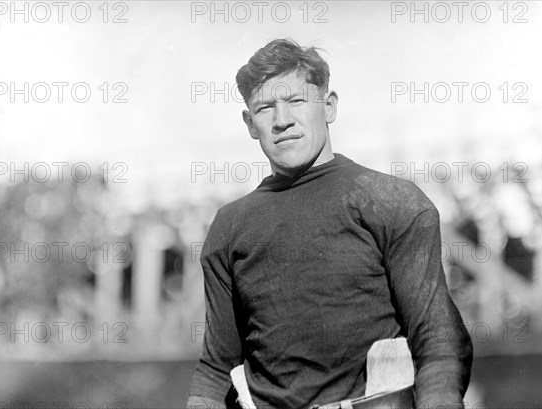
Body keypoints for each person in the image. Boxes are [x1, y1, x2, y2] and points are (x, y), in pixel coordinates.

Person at [187, 38, 473, 409]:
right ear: (250, 124)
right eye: (265, 108)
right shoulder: (229, 227)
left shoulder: (391, 202)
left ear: (328, 105)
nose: (282, 120)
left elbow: (437, 340)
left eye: (296, 101)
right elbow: (216, 367)